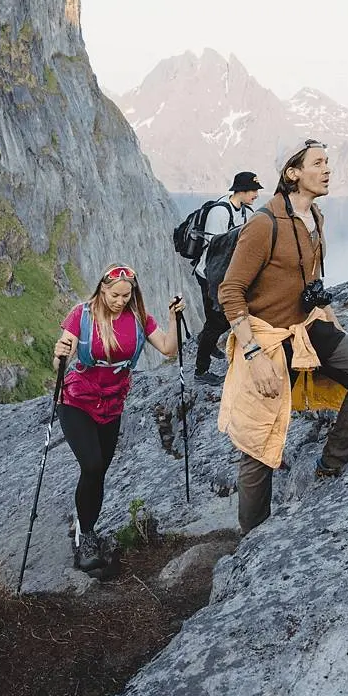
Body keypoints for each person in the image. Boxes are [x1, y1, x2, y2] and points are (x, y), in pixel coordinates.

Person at [217, 140, 348, 533]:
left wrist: (325, 310)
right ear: (293, 173)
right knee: (258, 448)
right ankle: (253, 539)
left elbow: (307, 279)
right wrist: (253, 354)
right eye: (318, 163)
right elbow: (230, 291)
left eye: (328, 162)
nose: (327, 169)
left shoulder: (315, 216)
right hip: (267, 341)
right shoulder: (263, 225)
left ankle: (330, 465)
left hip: (308, 329)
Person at [51, 265, 183, 572]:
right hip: (77, 401)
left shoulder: (138, 319)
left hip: (112, 404)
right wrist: (59, 353)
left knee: (98, 473)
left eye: (127, 294)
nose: (121, 300)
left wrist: (174, 319)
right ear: (101, 289)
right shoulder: (81, 315)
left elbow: (167, 348)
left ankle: (88, 529)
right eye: (115, 295)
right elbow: (62, 356)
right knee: (92, 465)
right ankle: (84, 539)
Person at [192, 172, 262, 385]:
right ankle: (200, 371)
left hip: (225, 274)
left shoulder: (244, 212)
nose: (256, 195)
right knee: (218, 320)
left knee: (218, 321)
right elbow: (215, 254)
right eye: (253, 190)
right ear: (241, 190)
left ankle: (206, 341)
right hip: (211, 275)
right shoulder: (220, 213)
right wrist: (220, 289)